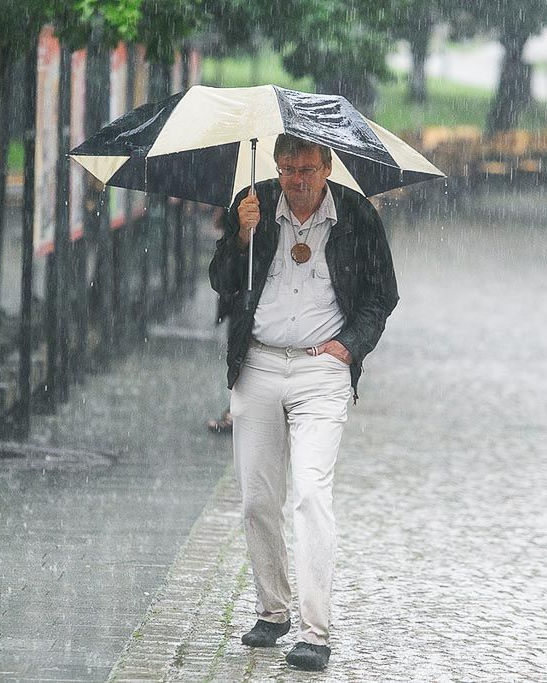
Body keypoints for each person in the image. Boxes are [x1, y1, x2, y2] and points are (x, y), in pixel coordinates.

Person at [208, 134, 399, 672]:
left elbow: (383, 294)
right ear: (276, 167)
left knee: (311, 494)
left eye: (307, 169)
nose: (297, 180)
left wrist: (350, 346)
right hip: (259, 364)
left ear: (327, 167)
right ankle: (273, 611)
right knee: (257, 499)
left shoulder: (356, 215)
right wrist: (240, 237)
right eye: (288, 169)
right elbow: (221, 282)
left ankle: (316, 631)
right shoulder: (253, 203)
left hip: (322, 368)